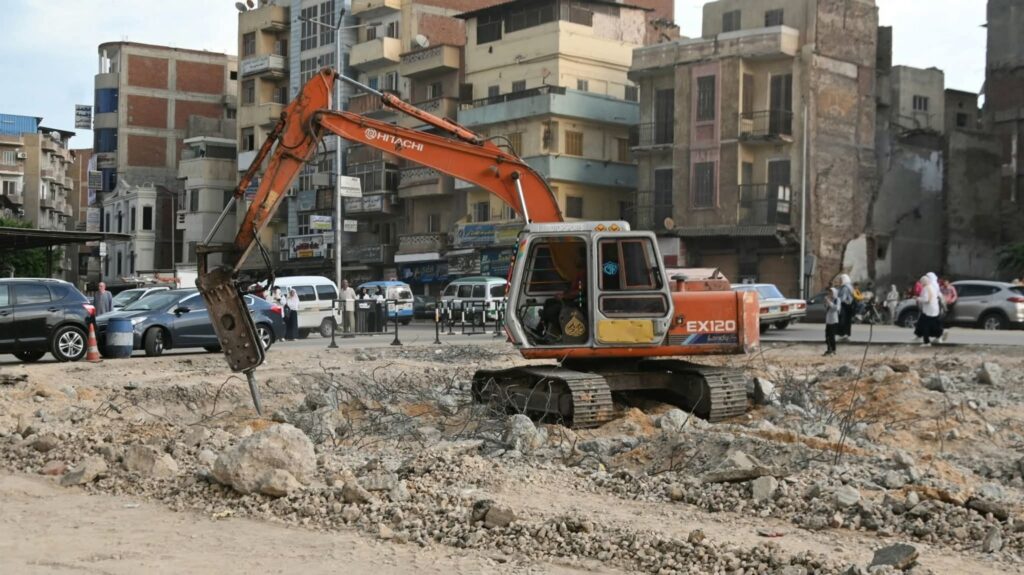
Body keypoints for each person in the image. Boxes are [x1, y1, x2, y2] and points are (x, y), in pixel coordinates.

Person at [913, 274, 942, 345]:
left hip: (928, 311)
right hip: (934, 310)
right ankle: (938, 337)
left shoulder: (926, 288)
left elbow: (927, 299)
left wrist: (917, 298)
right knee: (933, 325)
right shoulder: (932, 287)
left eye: (921, 282)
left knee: (925, 326)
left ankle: (926, 342)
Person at [938, 278, 958, 343]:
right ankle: (943, 327)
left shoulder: (951, 288)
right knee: (942, 316)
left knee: (947, 316)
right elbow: (939, 294)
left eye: (946, 283)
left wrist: (952, 301)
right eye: (944, 283)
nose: (945, 284)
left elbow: (955, 295)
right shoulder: (941, 288)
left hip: (949, 303)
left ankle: (946, 327)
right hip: (942, 303)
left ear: (948, 283)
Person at [837, 274, 855, 341]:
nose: (840, 281)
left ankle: (843, 334)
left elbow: (843, 298)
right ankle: (846, 334)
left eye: (841, 280)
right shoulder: (849, 286)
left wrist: (836, 300)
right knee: (847, 321)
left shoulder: (845, 288)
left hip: (844, 306)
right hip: (848, 306)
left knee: (843, 320)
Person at [824, 287, 841, 356]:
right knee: (827, 336)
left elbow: (836, 308)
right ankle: (829, 349)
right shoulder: (829, 299)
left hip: (834, 320)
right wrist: (826, 302)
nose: (830, 293)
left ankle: (833, 350)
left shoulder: (837, 299)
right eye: (829, 292)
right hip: (828, 320)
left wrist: (829, 302)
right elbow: (826, 307)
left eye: (831, 292)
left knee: (832, 336)